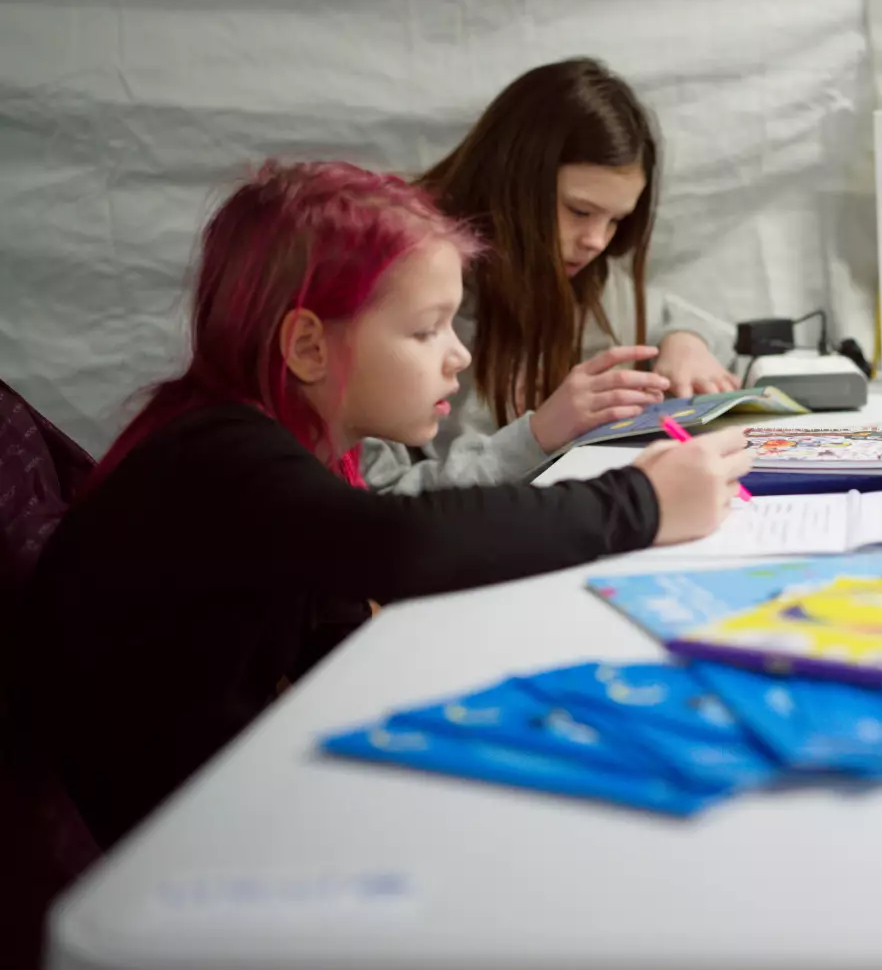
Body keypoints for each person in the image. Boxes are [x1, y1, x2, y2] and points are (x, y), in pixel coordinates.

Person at [10, 160, 752, 847]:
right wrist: (640, 500)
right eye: (426, 329)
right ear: (306, 347)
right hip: (154, 847)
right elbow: (404, 545)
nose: (456, 355)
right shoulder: (220, 455)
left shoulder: (280, 447)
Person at [363, 58, 741, 494]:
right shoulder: (399, 271)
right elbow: (382, 502)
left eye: (616, 220)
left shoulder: (579, 273)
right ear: (513, 179)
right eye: (579, 211)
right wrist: (538, 435)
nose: (596, 241)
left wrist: (683, 341)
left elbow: (674, 320)